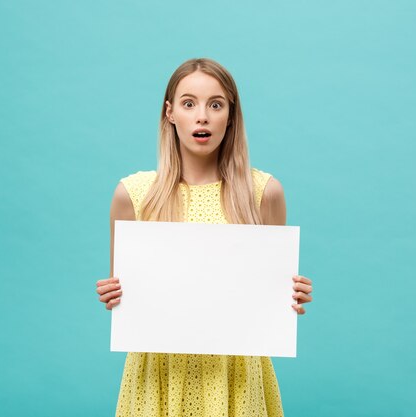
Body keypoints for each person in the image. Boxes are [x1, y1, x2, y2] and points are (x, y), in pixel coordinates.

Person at [96, 57, 313, 417]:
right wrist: (113, 294)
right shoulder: (134, 195)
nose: (202, 116)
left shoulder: (264, 193)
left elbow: (271, 295)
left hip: (236, 377)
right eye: (189, 103)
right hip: (159, 376)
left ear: (231, 115)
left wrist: (291, 296)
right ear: (170, 113)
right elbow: (127, 297)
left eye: (215, 104)